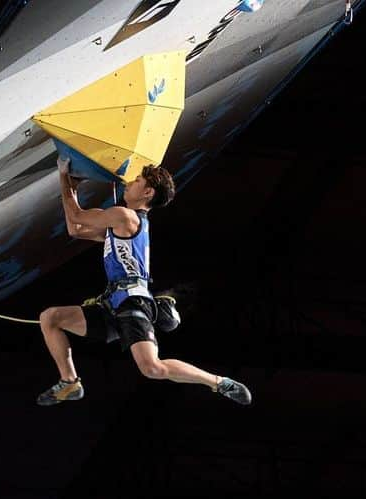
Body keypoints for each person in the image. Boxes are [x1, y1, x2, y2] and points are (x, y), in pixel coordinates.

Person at [36, 156, 252, 406]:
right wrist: (70, 186)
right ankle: (70, 382)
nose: (130, 182)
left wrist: (65, 177)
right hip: (113, 303)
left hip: (132, 302)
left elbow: (77, 215)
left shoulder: (124, 217)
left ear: (147, 192)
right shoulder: (121, 222)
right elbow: (75, 229)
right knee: (50, 318)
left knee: (152, 368)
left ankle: (217, 382)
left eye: (137, 180)